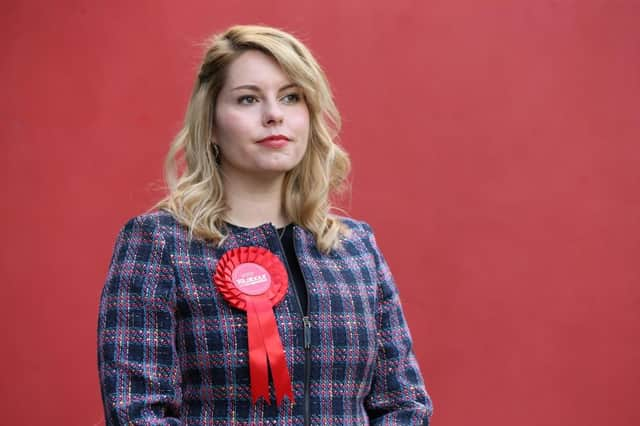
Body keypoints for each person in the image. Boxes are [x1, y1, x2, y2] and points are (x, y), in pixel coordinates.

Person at [98, 24, 433, 425]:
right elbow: (136, 412)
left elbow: (405, 404)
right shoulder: (161, 245)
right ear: (212, 124)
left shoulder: (355, 249)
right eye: (248, 99)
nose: (274, 114)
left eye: (291, 97)